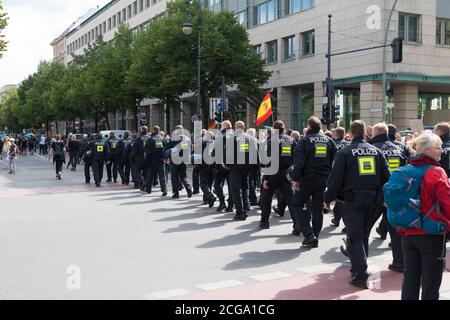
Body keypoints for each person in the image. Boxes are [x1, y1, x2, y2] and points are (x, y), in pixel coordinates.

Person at [324, 120, 390, 289]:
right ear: (365, 134)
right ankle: (359, 265)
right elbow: (386, 176)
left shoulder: (346, 152)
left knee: (354, 237)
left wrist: (327, 199)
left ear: (351, 134)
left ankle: (360, 274)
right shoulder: (376, 151)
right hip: (374, 199)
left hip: (352, 200)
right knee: (364, 234)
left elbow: (335, 179)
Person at [398, 132, 450, 300]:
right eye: (438, 148)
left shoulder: (405, 170)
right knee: (431, 282)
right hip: (431, 232)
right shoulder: (436, 172)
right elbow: (447, 202)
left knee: (410, 277)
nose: (441, 151)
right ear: (427, 150)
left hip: (408, 230)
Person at [291, 116, 337, 247]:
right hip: (323, 180)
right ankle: (315, 235)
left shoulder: (304, 141)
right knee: (317, 208)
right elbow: (334, 160)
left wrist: (295, 178)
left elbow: (299, 163)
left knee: (297, 204)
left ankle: (308, 234)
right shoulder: (329, 141)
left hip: (307, 179)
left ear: (309, 127)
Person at [370, 122, 407, 273]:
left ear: (375, 133)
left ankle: (357, 257)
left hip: (378, 192)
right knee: (395, 228)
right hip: (397, 191)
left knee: (363, 226)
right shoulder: (401, 147)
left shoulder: (374, 149)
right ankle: (399, 261)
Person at [259, 120, 297, 229]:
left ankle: (264, 221)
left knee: (266, 198)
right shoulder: (291, 140)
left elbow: (266, 160)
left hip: (272, 173)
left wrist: (266, 178)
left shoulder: (270, 141)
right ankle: (297, 223)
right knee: (291, 198)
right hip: (287, 174)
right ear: (284, 128)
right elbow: (296, 159)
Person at [227, 121, 257, 221]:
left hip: (235, 168)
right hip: (247, 168)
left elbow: (226, 154)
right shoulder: (251, 138)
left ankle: (240, 211)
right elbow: (256, 155)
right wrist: (254, 168)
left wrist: (228, 166)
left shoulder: (232, 138)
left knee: (235, 189)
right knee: (245, 188)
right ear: (244, 128)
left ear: (235, 128)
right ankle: (245, 208)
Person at [165, 125, 193, 199]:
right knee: (183, 175)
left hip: (174, 160)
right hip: (184, 160)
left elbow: (168, 148)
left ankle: (176, 193)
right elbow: (191, 149)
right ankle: (188, 187)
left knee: (174, 176)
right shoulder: (187, 138)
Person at [330, 127, 350, 228]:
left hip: (337, 173)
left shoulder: (334, 144)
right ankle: (337, 218)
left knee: (340, 199)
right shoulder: (348, 144)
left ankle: (343, 222)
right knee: (341, 199)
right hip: (348, 175)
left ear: (336, 135)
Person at [144, 126, 167, 196]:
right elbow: (166, 148)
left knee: (150, 175)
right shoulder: (163, 138)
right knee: (162, 176)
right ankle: (164, 190)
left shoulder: (150, 139)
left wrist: (147, 160)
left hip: (152, 160)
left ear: (153, 131)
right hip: (161, 160)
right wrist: (165, 158)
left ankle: (148, 190)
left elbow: (147, 151)